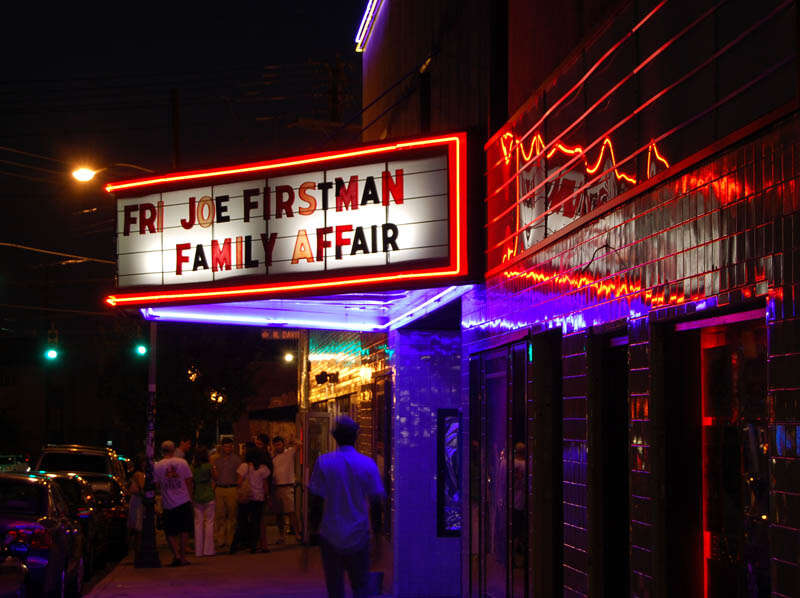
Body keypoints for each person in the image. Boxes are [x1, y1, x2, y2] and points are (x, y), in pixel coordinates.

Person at [309, 416, 384, 598]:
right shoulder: (367, 464)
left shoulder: (324, 462)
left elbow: (316, 501)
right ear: (356, 436)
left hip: (330, 533)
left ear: (334, 436)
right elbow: (376, 502)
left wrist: (313, 532)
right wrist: (378, 537)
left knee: (335, 588)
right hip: (359, 532)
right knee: (361, 585)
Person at [154, 440, 194, 566]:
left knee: (170, 531)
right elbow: (189, 481)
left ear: (162, 450)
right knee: (184, 530)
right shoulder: (182, 463)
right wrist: (190, 497)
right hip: (183, 500)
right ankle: (182, 556)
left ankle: (176, 554)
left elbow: (157, 485)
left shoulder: (158, 466)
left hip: (168, 503)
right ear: (173, 450)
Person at [231, 446, 271, 554]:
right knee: (256, 522)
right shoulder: (263, 468)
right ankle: (253, 546)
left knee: (242, 521)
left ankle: (235, 545)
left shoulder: (244, 466)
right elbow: (265, 485)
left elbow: (239, 482)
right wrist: (267, 497)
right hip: (258, 497)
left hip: (246, 497)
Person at [212, 437, 241, 551]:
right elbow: (215, 477)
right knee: (220, 515)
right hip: (219, 489)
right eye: (225, 446)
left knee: (232, 515)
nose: (227, 448)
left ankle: (230, 540)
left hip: (232, 489)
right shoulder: (217, 460)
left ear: (232, 447)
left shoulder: (237, 460)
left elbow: (240, 476)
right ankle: (220, 540)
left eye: (229, 446)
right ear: (222, 447)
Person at [272, 435, 302, 544]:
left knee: (291, 512)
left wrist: (292, 440)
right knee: (279, 514)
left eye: (279, 444)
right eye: (275, 445)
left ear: (283, 444)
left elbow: (299, 445)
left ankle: (298, 534)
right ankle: (281, 536)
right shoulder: (273, 457)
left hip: (287, 486)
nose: (277, 447)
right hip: (276, 487)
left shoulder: (288, 452)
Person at [191, 445, 216, 557]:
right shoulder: (208, 466)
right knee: (209, 523)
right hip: (208, 495)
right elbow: (216, 477)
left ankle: (198, 550)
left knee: (198, 523)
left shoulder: (192, 467)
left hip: (197, 495)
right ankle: (209, 550)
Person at [254, 433, 274, 550]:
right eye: (257, 443)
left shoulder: (263, 457)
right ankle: (261, 542)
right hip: (261, 489)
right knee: (259, 517)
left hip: (261, 490)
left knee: (260, 517)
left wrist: (267, 494)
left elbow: (266, 478)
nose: (257, 445)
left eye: (260, 444)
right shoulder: (266, 456)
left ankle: (262, 543)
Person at [127, 455, 146, 554]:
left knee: (136, 527)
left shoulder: (137, 474)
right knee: (138, 528)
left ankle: (136, 550)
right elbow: (143, 488)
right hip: (138, 501)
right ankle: (137, 551)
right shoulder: (140, 474)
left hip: (136, 501)